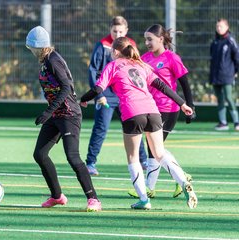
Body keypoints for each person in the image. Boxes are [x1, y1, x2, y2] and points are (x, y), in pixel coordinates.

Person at [80, 37, 198, 209]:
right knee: (159, 153)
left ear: (115, 52)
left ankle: (144, 200)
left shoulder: (112, 66)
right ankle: (183, 182)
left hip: (132, 113)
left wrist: (83, 100)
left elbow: (98, 89)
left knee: (132, 157)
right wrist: (183, 104)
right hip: (153, 111)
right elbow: (163, 86)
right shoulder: (142, 65)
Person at [25, 26, 102, 212]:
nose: (31, 51)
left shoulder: (53, 60)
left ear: (39, 47)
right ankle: (57, 196)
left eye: (31, 48)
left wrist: (48, 112)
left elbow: (66, 87)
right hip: (56, 114)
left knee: (73, 157)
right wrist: (50, 113)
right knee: (40, 155)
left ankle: (93, 199)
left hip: (69, 114)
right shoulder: (44, 61)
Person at [128, 24, 195, 199]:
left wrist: (191, 106)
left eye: (150, 39)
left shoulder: (172, 58)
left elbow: (185, 84)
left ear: (161, 39)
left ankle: (150, 187)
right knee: (156, 148)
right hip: (151, 108)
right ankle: (180, 176)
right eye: (145, 39)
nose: (147, 42)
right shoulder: (144, 58)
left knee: (155, 148)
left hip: (169, 109)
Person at [86, 16, 147, 176]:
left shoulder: (130, 45)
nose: (117, 34)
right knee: (101, 128)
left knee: (134, 128)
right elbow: (93, 70)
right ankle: (91, 162)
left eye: (120, 31)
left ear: (126, 31)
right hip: (105, 96)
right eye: (114, 31)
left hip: (126, 97)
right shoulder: (103, 45)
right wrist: (99, 95)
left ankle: (144, 160)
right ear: (110, 30)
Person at [209, 18, 239, 131]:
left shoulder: (230, 41)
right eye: (217, 26)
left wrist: (235, 72)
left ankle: (236, 122)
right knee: (219, 99)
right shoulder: (215, 42)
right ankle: (223, 123)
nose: (218, 28)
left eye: (221, 26)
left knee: (229, 97)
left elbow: (237, 57)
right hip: (215, 76)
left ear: (227, 27)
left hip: (227, 75)